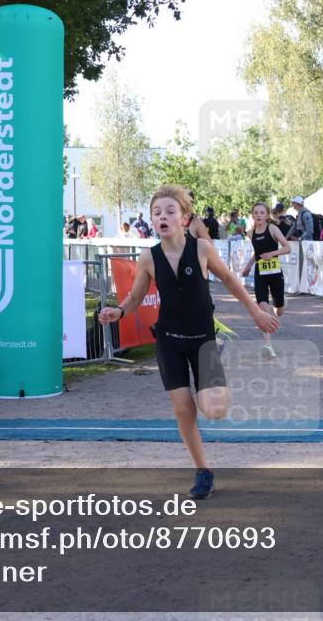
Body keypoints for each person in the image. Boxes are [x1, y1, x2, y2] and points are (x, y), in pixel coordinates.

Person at [98, 185, 279, 499]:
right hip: (169, 341)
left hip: (203, 340)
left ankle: (215, 389)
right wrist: (119, 310)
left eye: (170, 211)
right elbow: (136, 296)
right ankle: (202, 470)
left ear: (184, 218)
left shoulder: (202, 249)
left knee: (214, 410)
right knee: (183, 409)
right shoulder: (148, 258)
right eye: (157, 213)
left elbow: (231, 280)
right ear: (153, 221)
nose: (163, 216)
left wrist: (255, 312)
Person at [241, 201, 292, 358]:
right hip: (260, 274)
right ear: (252, 215)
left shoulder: (273, 229)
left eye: (262, 213)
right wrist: (249, 266)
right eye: (256, 213)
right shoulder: (250, 233)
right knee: (262, 307)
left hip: (275, 273)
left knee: (279, 310)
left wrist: (272, 254)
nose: (259, 215)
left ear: (267, 215)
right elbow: (257, 253)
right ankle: (268, 345)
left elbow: (287, 247)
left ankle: (281, 301)